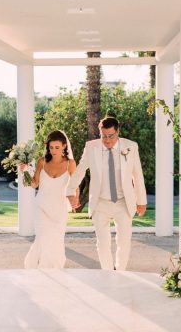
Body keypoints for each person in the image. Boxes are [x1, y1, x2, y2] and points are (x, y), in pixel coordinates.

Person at [66, 116, 147, 271]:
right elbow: (80, 170)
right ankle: (108, 273)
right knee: (102, 243)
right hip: (100, 202)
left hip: (123, 202)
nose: (107, 140)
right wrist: (70, 191)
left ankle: (120, 272)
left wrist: (141, 201)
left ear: (117, 132)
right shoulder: (91, 147)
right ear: (100, 133)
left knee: (124, 242)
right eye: (104, 136)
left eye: (111, 136)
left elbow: (137, 175)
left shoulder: (131, 147)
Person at [23, 130, 77, 268]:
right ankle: (38, 268)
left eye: (57, 147)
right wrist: (25, 171)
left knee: (56, 241)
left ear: (64, 146)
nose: (53, 151)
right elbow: (34, 183)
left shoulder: (70, 164)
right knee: (43, 237)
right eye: (51, 147)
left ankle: (53, 270)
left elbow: (74, 185)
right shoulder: (42, 162)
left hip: (59, 209)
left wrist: (74, 199)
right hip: (41, 207)